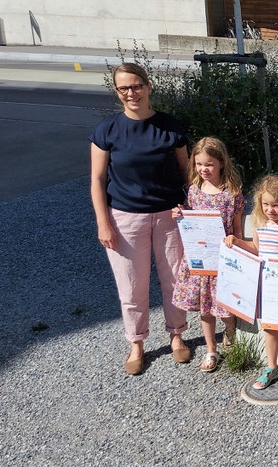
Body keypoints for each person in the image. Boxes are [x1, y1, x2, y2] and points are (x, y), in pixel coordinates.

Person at [90, 62, 191, 375]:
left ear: (148, 87)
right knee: (131, 286)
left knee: (175, 280)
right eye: (123, 88)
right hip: (125, 218)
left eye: (136, 86)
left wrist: (191, 210)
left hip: (170, 216)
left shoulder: (170, 126)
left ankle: (177, 336)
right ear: (117, 92)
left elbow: (186, 173)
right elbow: (97, 179)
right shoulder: (107, 130)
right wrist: (102, 222)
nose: (130, 93)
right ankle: (137, 342)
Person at [224, 174, 278, 389]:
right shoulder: (260, 225)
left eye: (276, 205)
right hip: (268, 286)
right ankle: (271, 366)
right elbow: (256, 249)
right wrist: (236, 241)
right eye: (266, 204)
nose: (270, 210)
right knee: (270, 326)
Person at [171, 137, 245, 373]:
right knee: (205, 308)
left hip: (223, 258)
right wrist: (180, 214)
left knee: (223, 305)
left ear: (222, 163)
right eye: (200, 164)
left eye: (210, 164)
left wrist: (237, 245)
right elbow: (192, 220)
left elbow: (239, 229)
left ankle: (231, 329)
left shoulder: (232, 194)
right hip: (200, 258)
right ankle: (210, 349)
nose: (204, 169)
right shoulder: (194, 190)